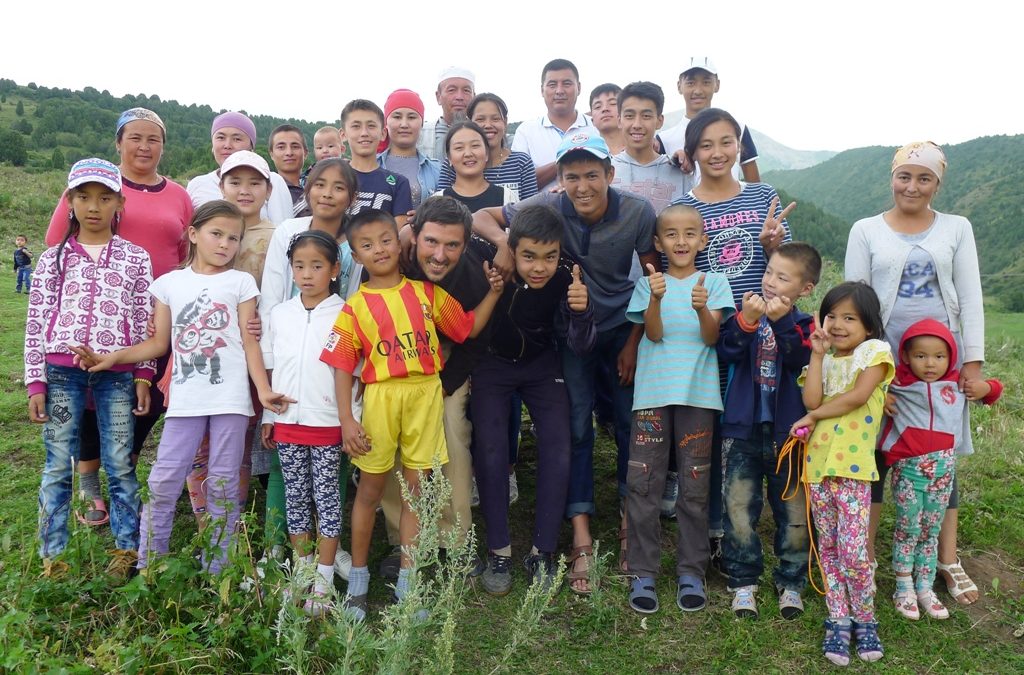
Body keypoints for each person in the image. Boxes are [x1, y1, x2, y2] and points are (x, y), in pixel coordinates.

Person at [472, 132, 659, 594]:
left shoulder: (637, 212)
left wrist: (635, 340)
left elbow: (654, 276)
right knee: (576, 428)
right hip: (570, 334)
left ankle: (627, 524)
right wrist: (504, 242)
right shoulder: (548, 207)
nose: (582, 185)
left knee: (629, 425)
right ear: (559, 179)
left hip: (620, 327)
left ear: (610, 175)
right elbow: (481, 215)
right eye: (571, 175)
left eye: (592, 174)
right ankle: (579, 535)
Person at [74, 200, 292, 575]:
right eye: (216, 234)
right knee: (163, 479)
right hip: (185, 401)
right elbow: (159, 344)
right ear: (193, 234)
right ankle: (150, 562)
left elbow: (249, 341)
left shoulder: (241, 283)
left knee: (224, 484)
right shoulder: (168, 284)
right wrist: (113, 357)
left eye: (233, 238)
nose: (225, 244)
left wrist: (263, 389)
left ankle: (218, 567)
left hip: (231, 400)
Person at [320, 209, 504, 621]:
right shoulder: (354, 307)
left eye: (385, 240)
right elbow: (341, 364)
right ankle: (360, 582)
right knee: (370, 491)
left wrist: (493, 291)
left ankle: (409, 583)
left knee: (417, 494)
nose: (379, 250)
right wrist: (348, 420)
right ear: (354, 253)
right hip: (382, 400)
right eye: (366, 245)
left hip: (425, 396)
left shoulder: (426, 294)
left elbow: (469, 329)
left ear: (399, 239)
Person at [845, 141, 989, 607]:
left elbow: (970, 296)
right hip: (885, 363)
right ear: (892, 177)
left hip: (940, 365)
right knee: (876, 455)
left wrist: (972, 363)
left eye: (924, 178)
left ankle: (947, 558)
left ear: (937, 183)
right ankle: (863, 555)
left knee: (940, 457)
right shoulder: (865, 229)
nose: (912, 186)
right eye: (904, 176)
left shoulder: (956, 228)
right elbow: (856, 302)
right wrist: (867, 373)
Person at [44, 108, 192, 526]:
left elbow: (181, 253)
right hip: (102, 316)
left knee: (151, 398)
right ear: (118, 142)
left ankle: (121, 463)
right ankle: (90, 483)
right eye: (135, 138)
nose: (144, 146)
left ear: (164, 145)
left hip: (159, 314)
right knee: (93, 398)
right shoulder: (94, 184)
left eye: (154, 139)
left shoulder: (178, 195)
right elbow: (57, 242)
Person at [673, 108, 794, 568]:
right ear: (692, 151)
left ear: (740, 147)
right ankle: (719, 527)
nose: (717, 152)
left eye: (727, 142)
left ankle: (763, 513)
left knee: (753, 424)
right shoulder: (685, 208)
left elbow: (788, 264)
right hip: (712, 332)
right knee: (715, 427)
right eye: (706, 144)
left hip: (762, 333)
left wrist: (770, 248)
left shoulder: (763, 195)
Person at [27, 158, 153, 578]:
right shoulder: (52, 259)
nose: (93, 206)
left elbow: (142, 320)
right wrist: (35, 382)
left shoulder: (135, 258)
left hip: (116, 376)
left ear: (120, 202)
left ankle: (126, 551)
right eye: (83, 196)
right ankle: (53, 558)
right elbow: (36, 321)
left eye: (104, 197)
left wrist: (144, 374)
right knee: (57, 461)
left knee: (119, 461)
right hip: (61, 374)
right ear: (70, 201)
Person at [471, 205, 595, 594]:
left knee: (558, 449)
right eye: (528, 256)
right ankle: (499, 550)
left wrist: (582, 311)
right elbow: (468, 218)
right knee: (490, 451)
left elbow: (580, 344)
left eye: (549, 256)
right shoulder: (490, 261)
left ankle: (542, 551)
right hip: (492, 364)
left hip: (543, 365)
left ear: (560, 252)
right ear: (513, 249)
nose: (539, 267)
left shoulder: (569, 273)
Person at [624, 205, 734, 614]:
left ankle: (691, 569)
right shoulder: (649, 283)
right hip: (652, 396)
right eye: (671, 234)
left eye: (690, 234)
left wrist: (702, 306)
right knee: (644, 482)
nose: (681, 241)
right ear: (658, 242)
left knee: (694, 486)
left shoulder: (715, 283)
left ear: (702, 240)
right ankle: (643, 571)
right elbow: (652, 333)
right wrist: (655, 298)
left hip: (699, 398)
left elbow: (710, 338)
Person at [259, 157, 360, 579]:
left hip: (327, 399)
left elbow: (354, 313)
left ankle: (325, 556)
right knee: (288, 476)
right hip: (286, 389)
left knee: (328, 483)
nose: (327, 194)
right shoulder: (288, 233)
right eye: (319, 184)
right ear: (307, 189)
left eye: (339, 187)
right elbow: (273, 295)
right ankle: (277, 548)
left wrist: (350, 413)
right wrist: (266, 394)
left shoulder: (353, 246)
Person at [789, 281, 894, 666]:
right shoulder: (826, 359)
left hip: (853, 471)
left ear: (868, 326)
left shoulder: (875, 353)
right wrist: (817, 356)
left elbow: (857, 397)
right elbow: (812, 398)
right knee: (829, 549)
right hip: (818, 468)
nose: (837, 324)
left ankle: (865, 617)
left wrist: (813, 417)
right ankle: (838, 617)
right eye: (831, 315)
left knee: (853, 552)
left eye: (849, 317)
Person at [717, 242, 820, 620]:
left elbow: (801, 360)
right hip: (741, 427)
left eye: (783, 277)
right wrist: (745, 321)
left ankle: (791, 580)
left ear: (805, 288)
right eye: (768, 273)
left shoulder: (806, 325)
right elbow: (725, 350)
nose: (771, 282)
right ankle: (743, 580)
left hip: (788, 434)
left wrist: (781, 323)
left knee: (793, 509)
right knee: (738, 507)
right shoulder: (747, 315)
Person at [879, 319, 1002, 621]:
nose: (930, 364)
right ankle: (903, 586)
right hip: (909, 472)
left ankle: (925, 586)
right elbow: (862, 389)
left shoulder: (956, 386)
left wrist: (985, 386)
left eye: (939, 356)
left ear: (950, 357)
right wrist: (879, 396)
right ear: (906, 357)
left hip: (943, 473)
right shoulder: (898, 384)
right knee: (908, 528)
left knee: (931, 530)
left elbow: (994, 392)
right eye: (921, 356)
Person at [261, 230, 350, 616]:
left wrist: (352, 423)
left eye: (317, 266)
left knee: (327, 497)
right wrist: (268, 415)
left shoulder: (347, 312)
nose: (307, 274)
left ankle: (325, 580)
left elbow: (355, 374)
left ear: (334, 269)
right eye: (299, 266)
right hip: (287, 422)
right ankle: (302, 571)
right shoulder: (280, 314)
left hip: (328, 424)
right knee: (296, 498)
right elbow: (274, 366)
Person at [656, 57, 760, 183]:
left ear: (717, 85)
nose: (698, 91)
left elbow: (755, 186)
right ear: (679, 86)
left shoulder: (738, 129)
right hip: (682, 203)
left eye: (706, 82)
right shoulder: (664, 139)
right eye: (690, 83)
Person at [186, 111, 294, 224]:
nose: (227, 145)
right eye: (220, 137)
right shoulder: (197, 184)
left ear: (251, 147)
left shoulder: (272, 181)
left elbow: (284, 233)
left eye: (237, 139)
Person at [511, 59, 596, 190]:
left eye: (567, 84)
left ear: (579, 88)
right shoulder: (526, 131)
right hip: (542, 209)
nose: (559, 91)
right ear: (542, 90)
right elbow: (519, 182)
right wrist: (565, 162)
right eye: (552, 84)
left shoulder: (595, 126)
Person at [611, 81, 694, 214]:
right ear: (619, 120)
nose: (637, 124)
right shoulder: (606, 170)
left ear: (659, 121)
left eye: (646, 116)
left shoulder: (680, 171)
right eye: (629, 116)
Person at [439, 93, 539, 201]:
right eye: (480, 119)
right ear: (469, 122)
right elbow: (441, 204)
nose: (488, 125)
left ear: (505, 122)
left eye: (495, 119)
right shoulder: (455, 163)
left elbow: (530, 210)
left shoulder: (521, 162)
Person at [341, 99, 413, 226]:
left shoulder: (399, 183)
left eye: (371, 126)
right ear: (343, 135)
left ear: (383, 133)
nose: (364, 133)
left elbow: (399, 234)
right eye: (356, 126)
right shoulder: (332, 177)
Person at [378, 89, 440, 208]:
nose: (404, 124)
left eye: (412, 117)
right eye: (397, 117)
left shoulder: (437, 170)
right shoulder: (371, 165)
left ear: (422, 123)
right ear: (386, 123)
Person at [439, 121, 515, 210]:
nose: (468, 154)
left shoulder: (507, 198)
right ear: (449, 158)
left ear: (486, 154)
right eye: (459, 148)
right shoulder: (437, 201)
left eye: (475, 145)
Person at [419, 66, 476, 161]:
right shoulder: (422, 134)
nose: (459, 97)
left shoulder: (482, 133)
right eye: (451, 90)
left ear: (474, 97)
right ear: (438, 97)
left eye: (466, 90)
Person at [268, 124, 311, 217]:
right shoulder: (267, 190)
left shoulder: (317, 186)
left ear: (306, 153)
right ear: (271, 154)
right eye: (281, 147)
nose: (289, 153)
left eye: (295, 147)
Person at [589, 83, 624, 155]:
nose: (605, 109)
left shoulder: (645, 148)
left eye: (613, 103)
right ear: (592, 120)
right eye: (598, 107)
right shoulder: (587, 153)